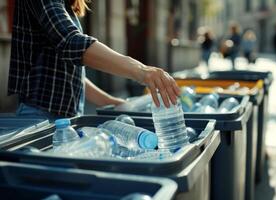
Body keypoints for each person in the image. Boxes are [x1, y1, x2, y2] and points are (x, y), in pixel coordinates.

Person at [7, 0, 180, 121]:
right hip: (40, 117)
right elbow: (71, 42)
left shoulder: (66, 5)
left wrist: (112, 102)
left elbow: (72, 73)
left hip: (66, 118)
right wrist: (141, 70)